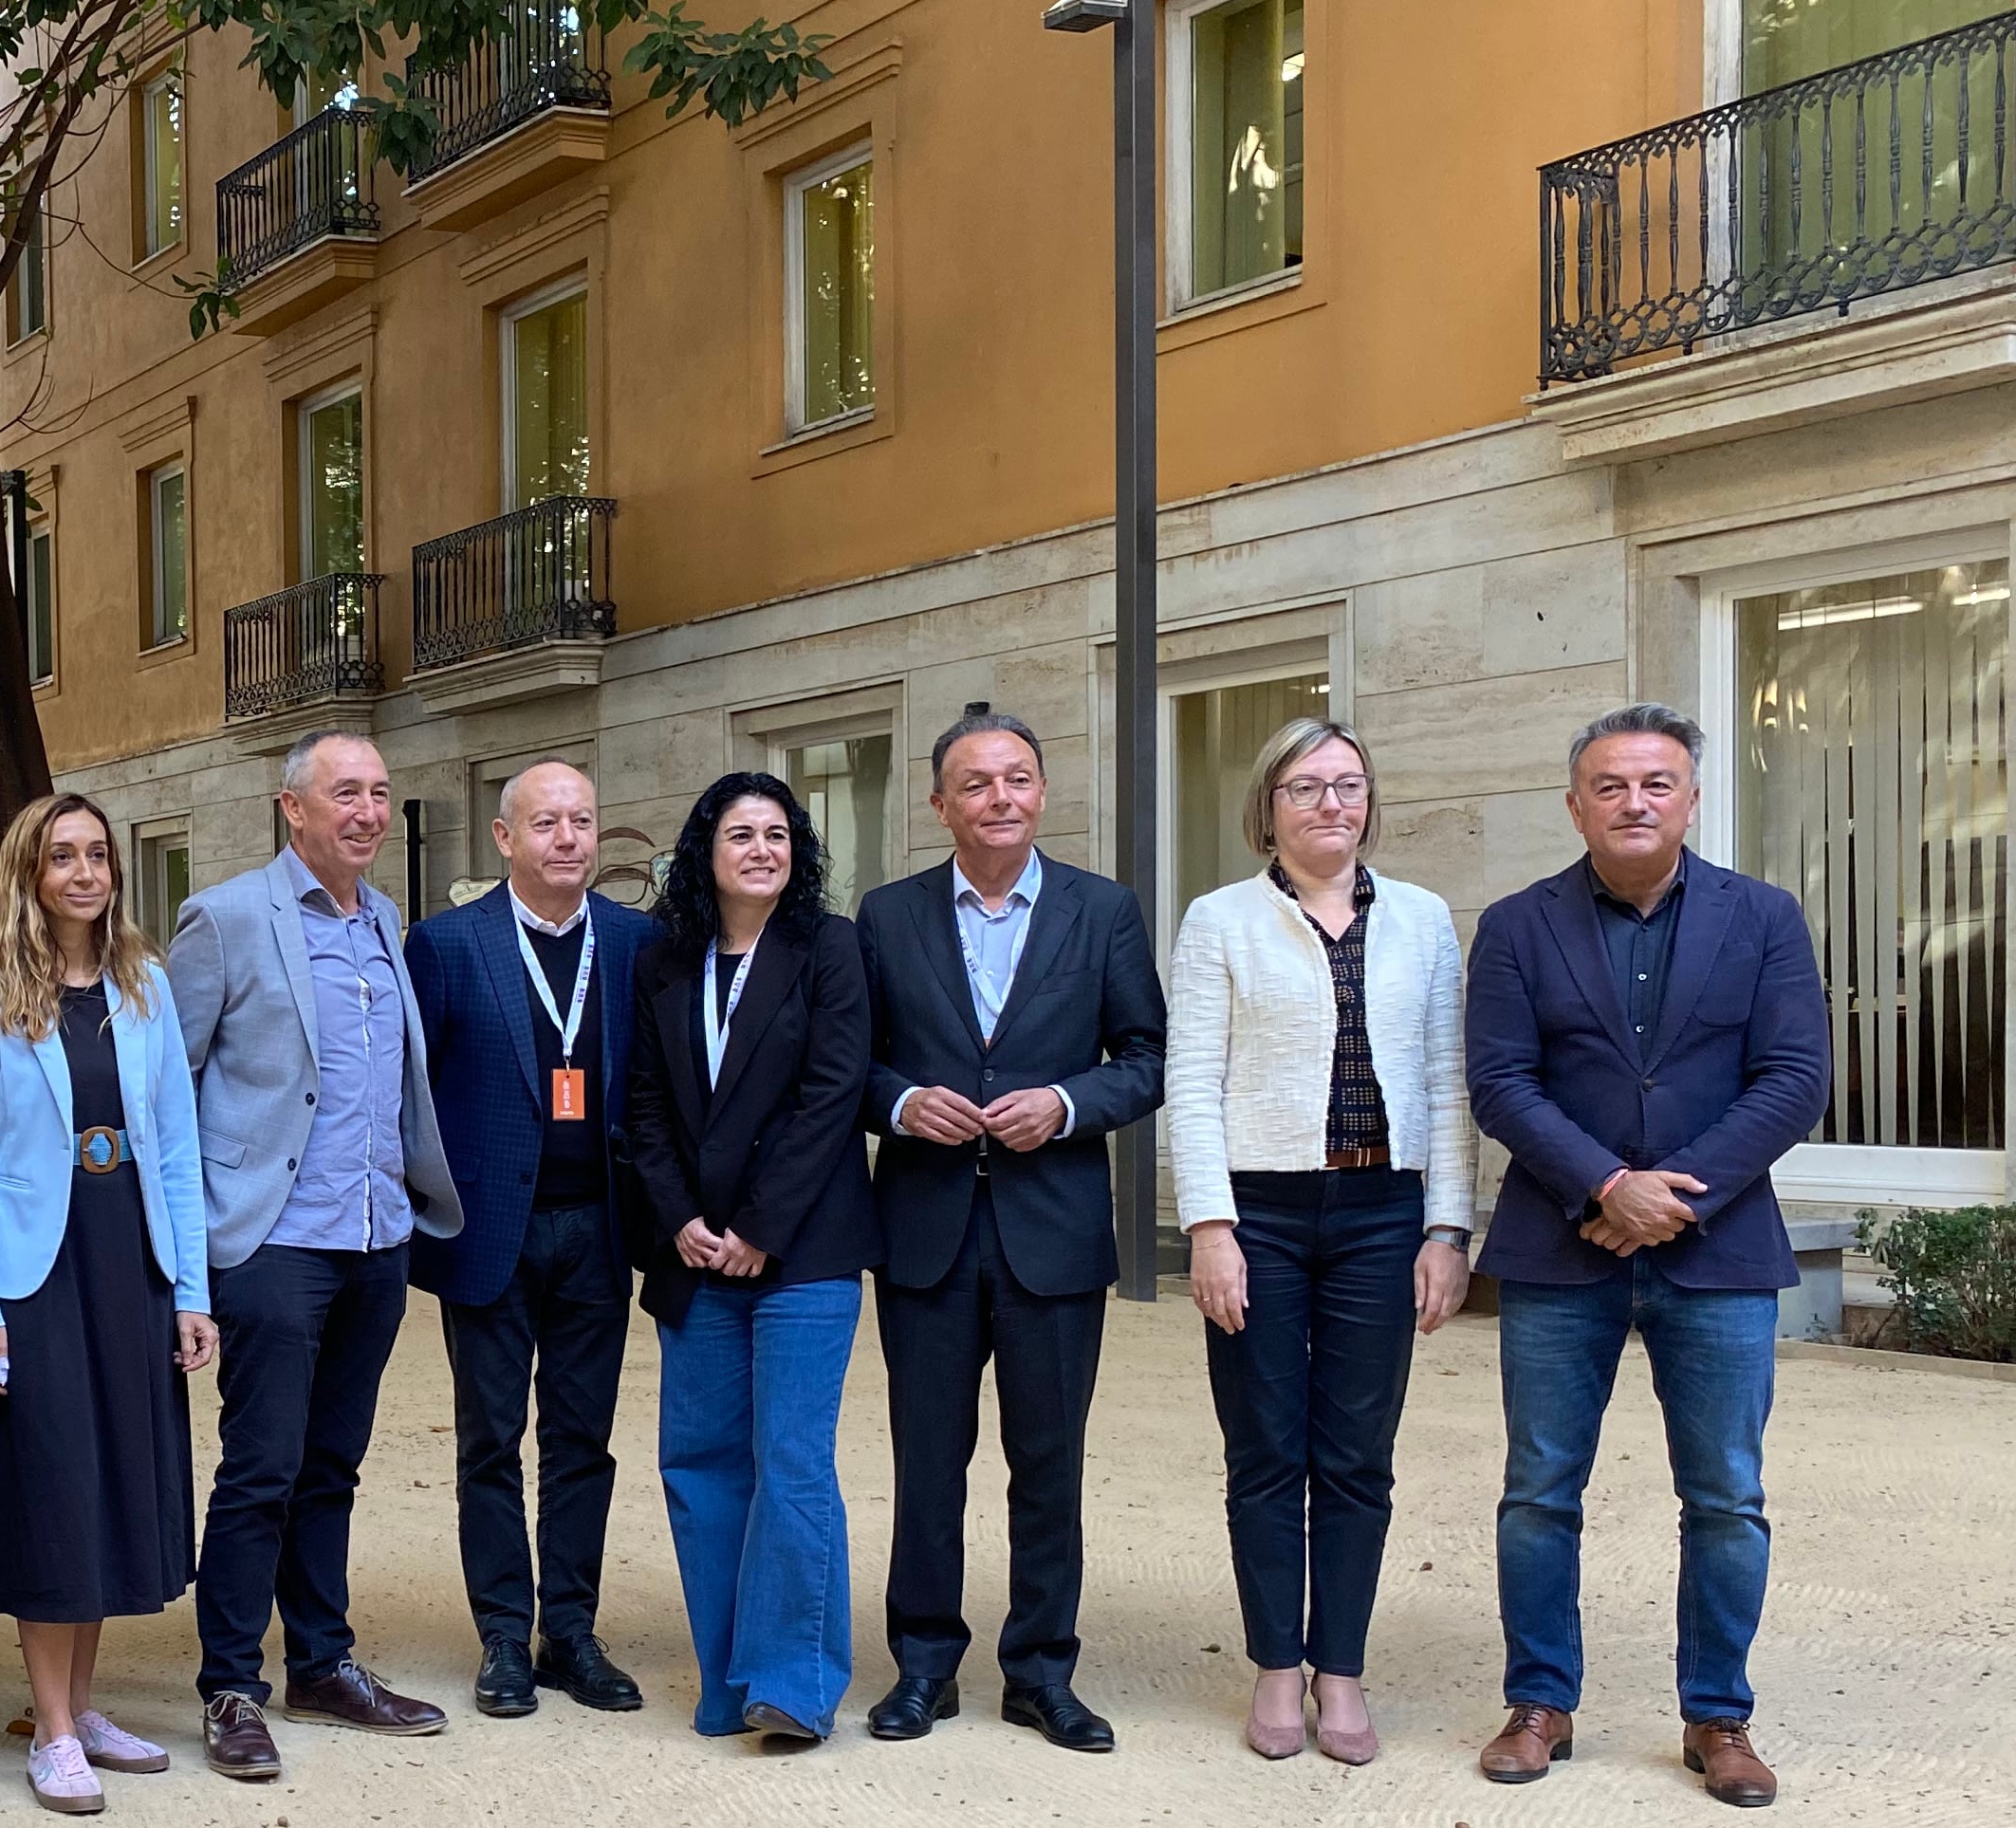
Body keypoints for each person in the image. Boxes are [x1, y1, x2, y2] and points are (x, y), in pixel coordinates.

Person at [1464, 705, 1831, 1808]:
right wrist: (1605, 1185)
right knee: (1539, 1491)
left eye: (1656, 783)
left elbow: (1794, 1079)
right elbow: (1500, 1082)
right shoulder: (1517, 925)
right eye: (1610, 785)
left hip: (1715, 1252)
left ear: (1692, 798)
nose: (1634, 802)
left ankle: (1719, 1715)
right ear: (1575, 802)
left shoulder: (1764, 918)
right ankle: (1540, 1702)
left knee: (1726, 1497)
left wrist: (1671, 1196)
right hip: (1558, 1243)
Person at [858, 704, 1167, 1753]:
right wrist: (900, 1103)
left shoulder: (1104, 910)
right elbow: (850, 1061)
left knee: (1050, 1461)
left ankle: (1041, 1672)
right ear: (939, 803)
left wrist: (1070, 1105)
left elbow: (1146, 1056)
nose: (1000, 798)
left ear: (1043, 794)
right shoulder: (886, 917)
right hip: (925, 1230)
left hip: (1054, 1231)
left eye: (1018, 779)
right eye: (976, 783)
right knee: (928, 1459)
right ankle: (925, 1668)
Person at [1165, 719, 1472, 1768]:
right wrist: (1209, 1227)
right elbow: (1192, 1086)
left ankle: (1339, 1668)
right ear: (1270, 807)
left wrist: (1447, 1227)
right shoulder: (1220, 922)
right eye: (1307, 788)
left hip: (1385, 1214)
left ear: (1370, 801)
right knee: (1264, 1451)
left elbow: (1447, 1082)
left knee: (1354, 1456)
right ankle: (1276, 1669)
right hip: (1261, 1214)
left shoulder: (1427, 921)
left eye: (1349, 785)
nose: (1331, 804)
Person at [166, 729, 464, 1782]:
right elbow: (172, 1087)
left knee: (333, 1465)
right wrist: (191, 1256)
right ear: (293, 808)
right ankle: (231, 1686)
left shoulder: (385, 919)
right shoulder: (230, 918)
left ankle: (322, 1662)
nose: (370, 812)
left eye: (382, 792)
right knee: (262, 1468)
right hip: (274, 1244)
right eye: (348, 793)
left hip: (375, 1239)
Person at [0, 793, 216, 1814]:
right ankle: (49, 1726)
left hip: (127, 1259)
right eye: (64, 856)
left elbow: (177, 1146)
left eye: (99, 855)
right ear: (31, 872)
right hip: (34, 1269)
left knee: (110, 1479)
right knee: (52, 1482)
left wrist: (191, 1287)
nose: (87, 873)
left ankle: (86, 1706)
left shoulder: (144, 985)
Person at [624, 772, 882, 1745]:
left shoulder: (831, 949)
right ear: (708, 850)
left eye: (779, 834)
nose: (763, 850)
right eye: (743, 834)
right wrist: (682, 1218)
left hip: (803, 1253)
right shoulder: (664, 961)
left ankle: (794, 1683)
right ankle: (729, 1676)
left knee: (790, 1461)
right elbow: (643, 1105)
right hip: (694, 1256)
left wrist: (759, 1228)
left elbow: (831, 1096)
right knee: (698, 1464)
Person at [403, 760, 657, 1718]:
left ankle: (573, 1634)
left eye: (583, 822)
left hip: (599, 1226)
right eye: (546, 822)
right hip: (489, 1233)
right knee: (490, 1440)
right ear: (505, 840)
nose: (568, 838)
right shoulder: (446, 947)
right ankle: (505, 1637)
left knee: (584, 1441)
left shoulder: (637, 943)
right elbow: (410, 1098)